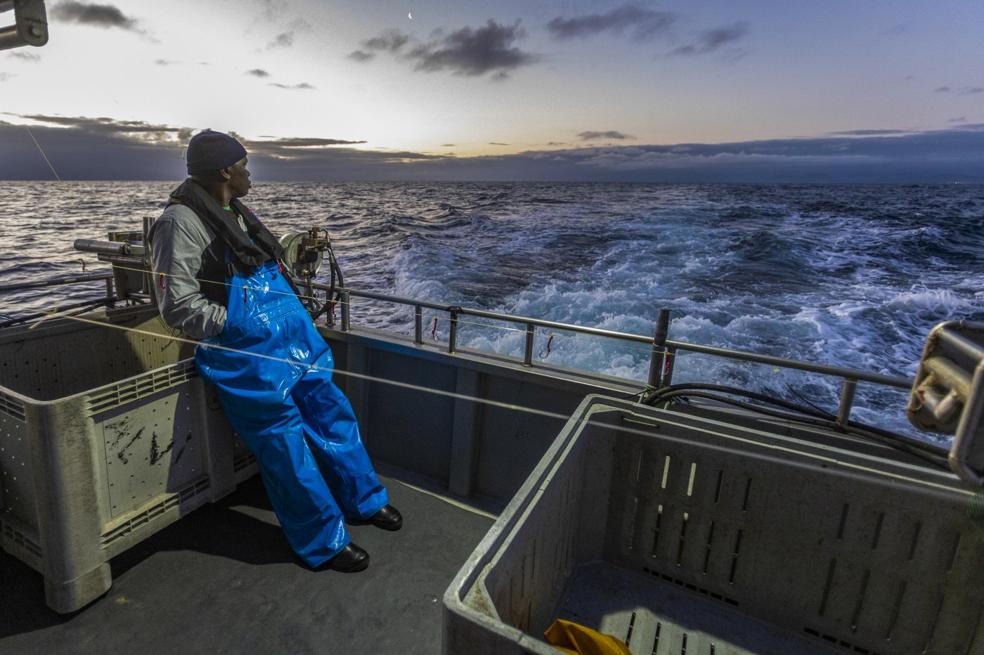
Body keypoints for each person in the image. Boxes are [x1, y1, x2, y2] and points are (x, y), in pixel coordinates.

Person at [148, 129, 400, 573]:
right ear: (225, 170)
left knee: (332, 414)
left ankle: (364, 501)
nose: (250, 171)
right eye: (244, 164)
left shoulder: (235, 212)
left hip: (294, 340)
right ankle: (322, 541)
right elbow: (177, 305)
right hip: (247, 355)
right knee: (285, 448)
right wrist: (238, 326)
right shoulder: (178, 224)